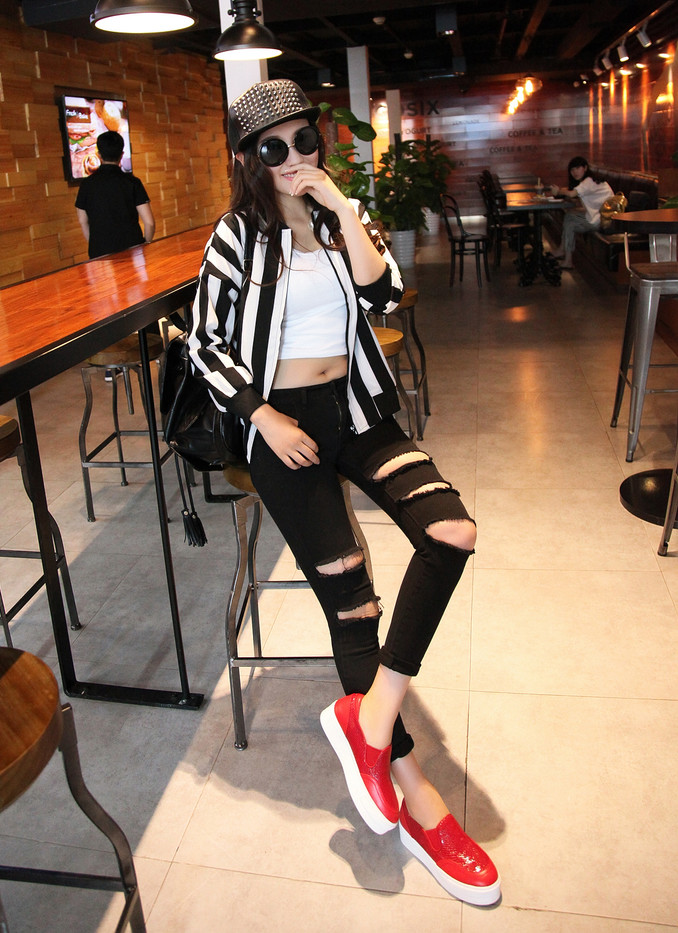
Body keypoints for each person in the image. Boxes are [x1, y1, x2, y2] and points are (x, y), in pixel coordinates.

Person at [188, 79, 500, 905]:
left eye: (305, 140)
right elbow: (205, 342)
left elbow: (383, 293)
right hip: (281, 426)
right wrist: (263, 417)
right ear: (248, 158)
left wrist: (336, 203)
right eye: (275, 146)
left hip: (356, 411)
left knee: (453, 531)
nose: (294, 156)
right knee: (352, 599)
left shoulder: (337, 215)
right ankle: (423, 805)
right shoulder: (234, 236)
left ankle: (370, 717)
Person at [75, 130, 155, 259]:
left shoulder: (86, 184)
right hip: (132, 250)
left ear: (98, 155)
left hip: (100, 253)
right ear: (122, 155)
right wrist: (145, 244)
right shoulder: (133, 182)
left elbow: (82, 220)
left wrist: (95, 245)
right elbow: (149, 222)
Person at [552, 155, 613, 269]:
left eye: (578, 168)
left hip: (603, 220)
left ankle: (565, 254)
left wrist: (559, 191)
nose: (575, 172)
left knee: (569, 219)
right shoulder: (589, 181)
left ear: (585, 168)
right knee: (570, 220)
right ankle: (565, 255)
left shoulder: (589, 181)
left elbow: (572, 194)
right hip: (601, 217)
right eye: (572, 170)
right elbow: (588, 206)